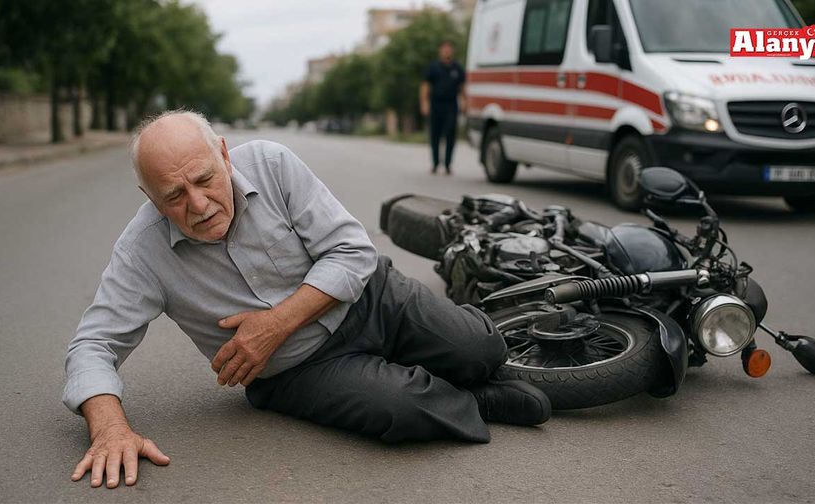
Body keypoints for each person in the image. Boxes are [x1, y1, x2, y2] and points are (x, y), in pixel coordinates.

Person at [64, 111, 551, 489]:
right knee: (399, 409)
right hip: (297, 370)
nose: (198, 204)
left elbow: (353, 251)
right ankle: (473, 400)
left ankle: (468, 361)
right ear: (149, 197)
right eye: (173, 195)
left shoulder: (273, 164)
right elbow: (93, 344)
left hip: (370, 297)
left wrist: (275, 323)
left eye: (205, 179)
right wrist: (110, 429)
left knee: (478, 349)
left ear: (225, 156)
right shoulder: (141, 251)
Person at [420, 39, 466, 175]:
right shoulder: (433, 67)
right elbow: (425, 86)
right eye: (444, 48)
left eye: (449, 48)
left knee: (451, 134)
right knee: (435, 135)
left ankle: (447, 164)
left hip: (451, 105)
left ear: (452, 50)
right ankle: (435, 163)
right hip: (436, 104)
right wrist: (424, 103)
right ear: (440, 50)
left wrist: (464, 101)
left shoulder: (457, 68)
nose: (446, 51)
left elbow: (462, 87)